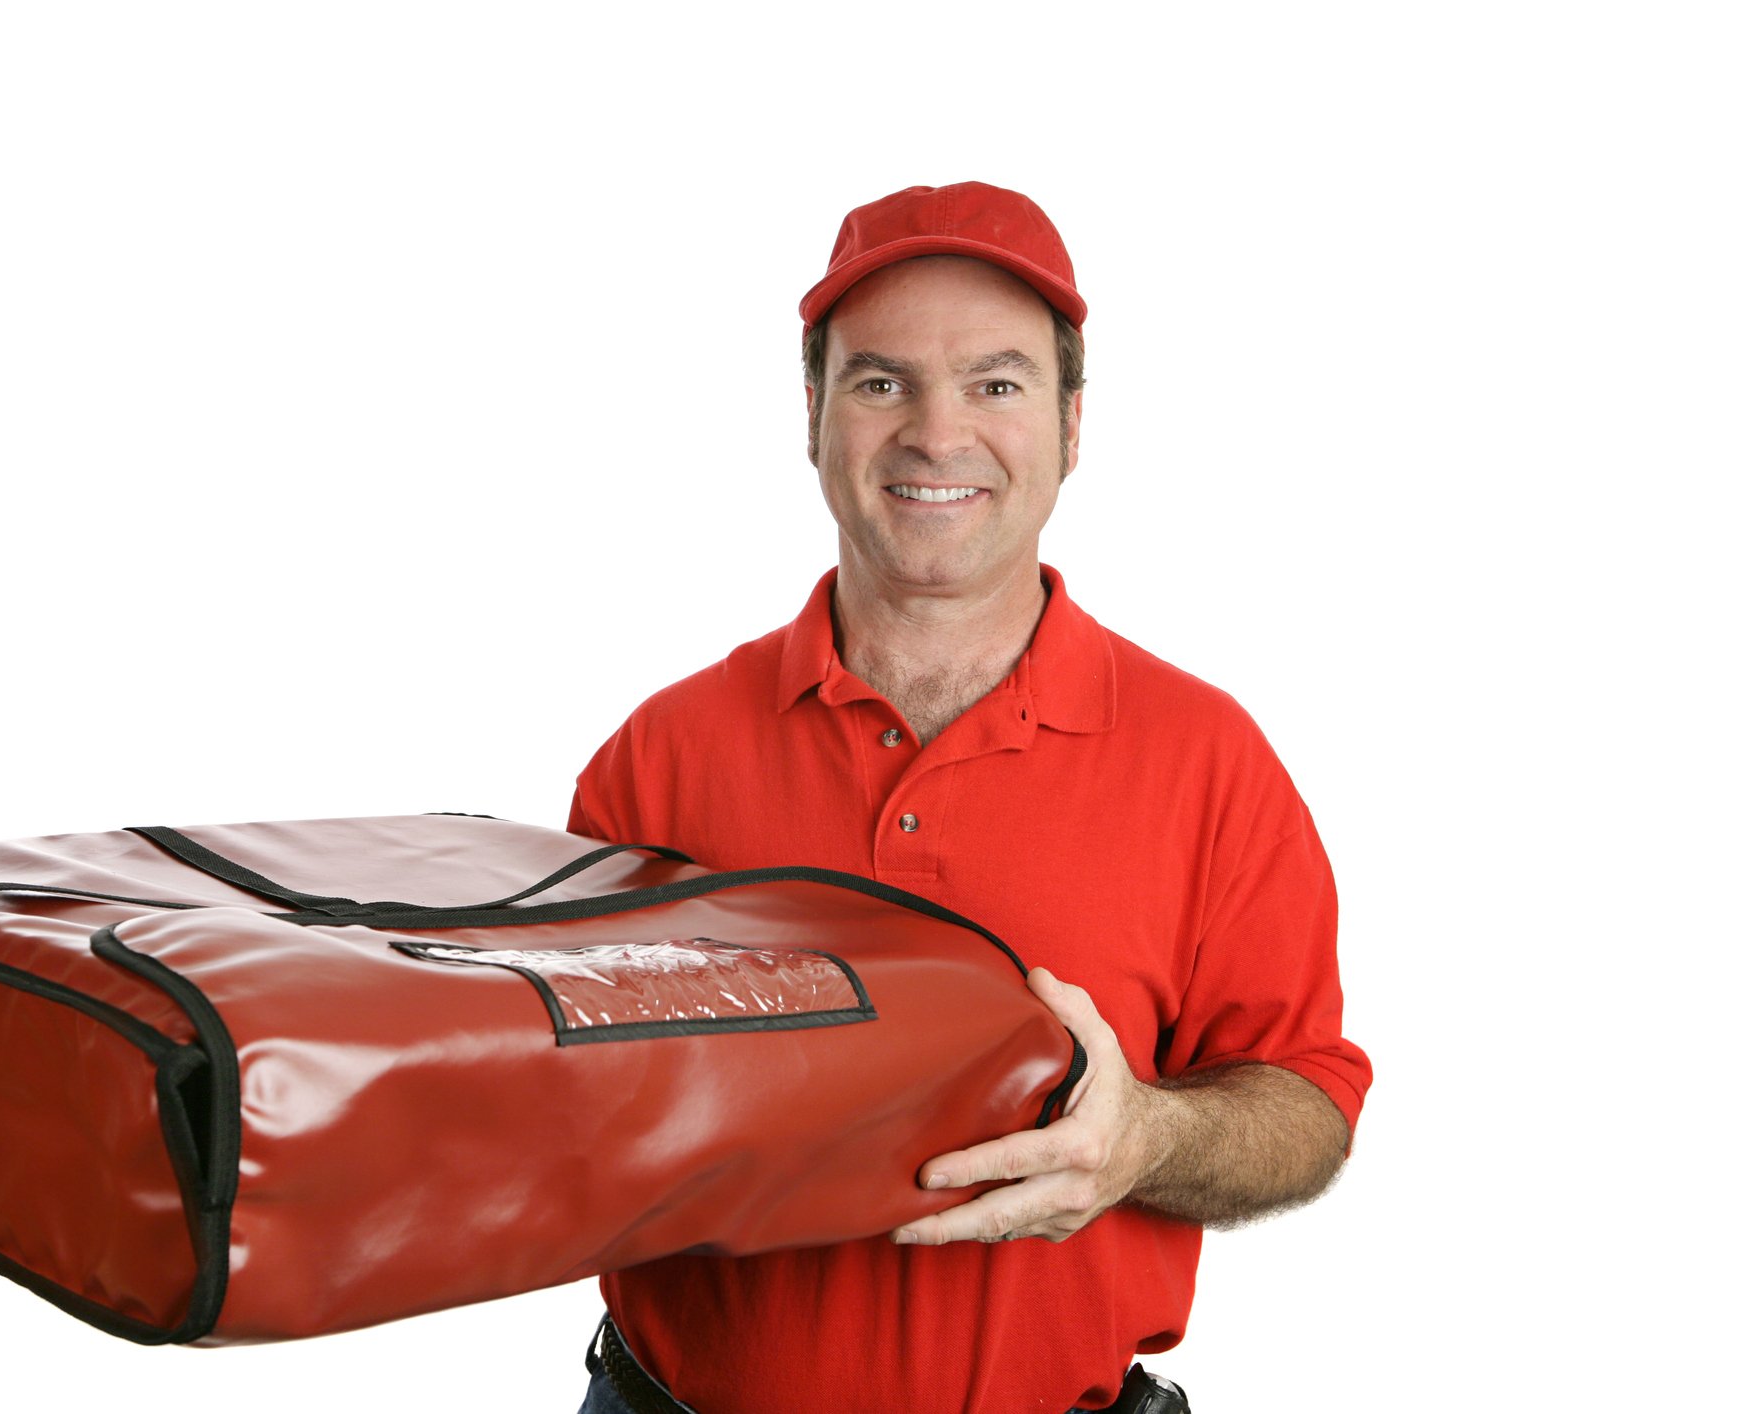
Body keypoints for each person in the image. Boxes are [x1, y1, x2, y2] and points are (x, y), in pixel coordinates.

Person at [565, 182, 1371, 1414]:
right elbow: (559, 1114)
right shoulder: (658, 759)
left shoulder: (1209, 760)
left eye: (996, 384)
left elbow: (1307, 1099)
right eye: (882, 381)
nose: (937, 433)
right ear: (814, 415)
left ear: (1074, 421)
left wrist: (1150, 1136)